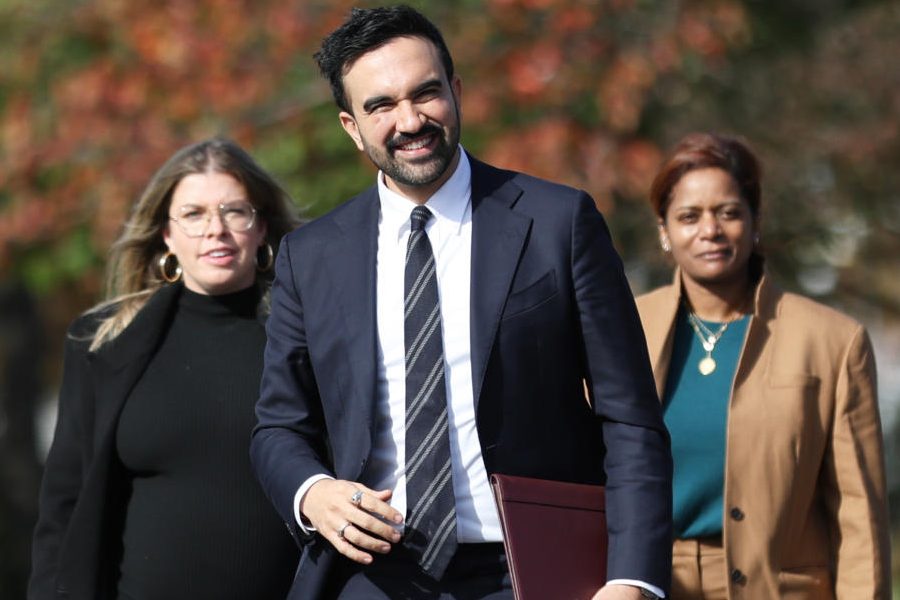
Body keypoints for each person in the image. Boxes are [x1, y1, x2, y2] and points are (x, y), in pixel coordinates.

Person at [251, 6, 672, 600]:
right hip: (374, 574)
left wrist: (632, 579)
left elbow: (630, 417)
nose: (410, 120)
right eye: (381, 106)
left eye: (426, 93)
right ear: (351, 126)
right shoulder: (309, 256)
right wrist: (312, 493)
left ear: (457, 91)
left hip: (532, 568)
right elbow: (277, 428)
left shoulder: (559, 223)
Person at [29, 137, 302, 600]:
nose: (215, 229)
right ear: (166, 235)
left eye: (235, 211)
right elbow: (63, 505)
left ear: (261, 228)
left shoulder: (308, 336)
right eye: (193, 215)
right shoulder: (104, 341)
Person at [635, 132, 891, 599]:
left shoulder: (832, 341)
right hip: (652, 586)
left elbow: (859, 517)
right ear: (664, 232)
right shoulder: (624, 330)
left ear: (755, 223)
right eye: (689, 217)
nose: (710, 230)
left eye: (728, 213)